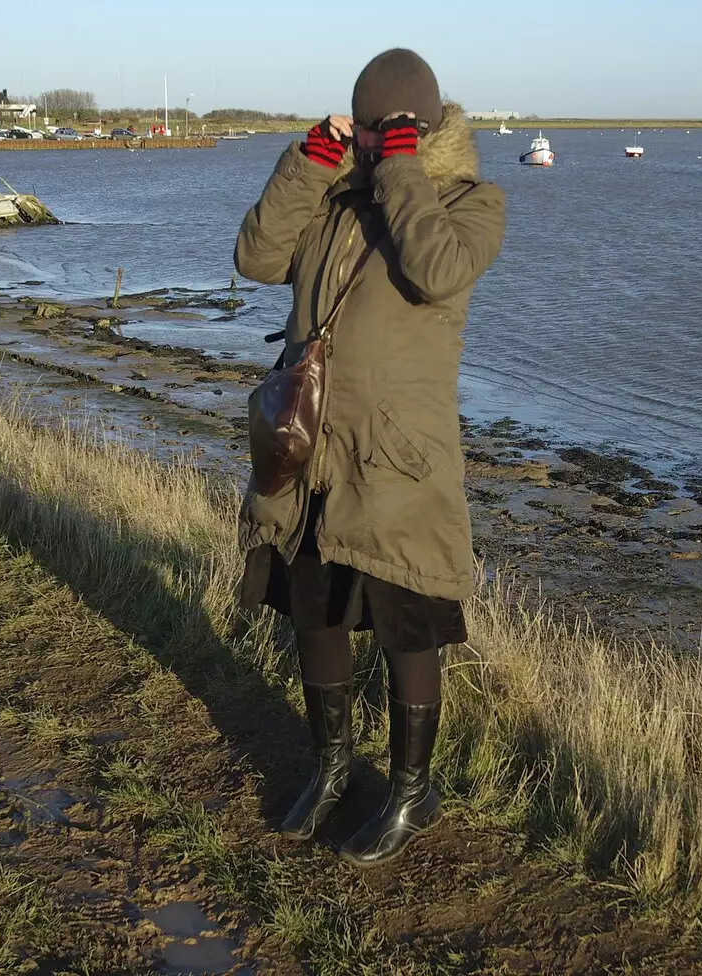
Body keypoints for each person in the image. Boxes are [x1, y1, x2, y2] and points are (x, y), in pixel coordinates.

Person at [233, 48, 506, 866]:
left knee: (403, 629)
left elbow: (434, 270)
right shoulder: (332, 200)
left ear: (419, 129)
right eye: (365, 126)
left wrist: (401, 170)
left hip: (395, 460)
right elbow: (255, 259)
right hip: (313, 452)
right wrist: (306, 164)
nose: (372, 140)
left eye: (390, 126)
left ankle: (413, 794)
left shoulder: (472, 203)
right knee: (315, 611)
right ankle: (331, 768)